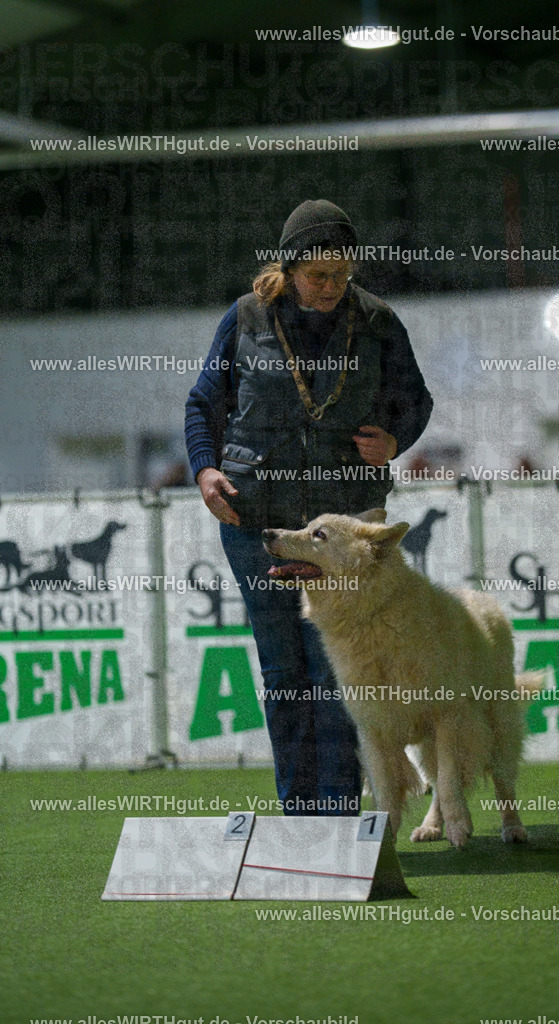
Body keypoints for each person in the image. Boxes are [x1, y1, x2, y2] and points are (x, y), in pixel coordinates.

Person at [185, 199, 433, 817]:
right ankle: (298, 813)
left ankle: (339, 812)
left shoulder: (377, 322)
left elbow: (416, 399)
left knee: (336, 671)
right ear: (290, 267)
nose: (331, 287)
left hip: (341, 529)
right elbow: (203, 404)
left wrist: (396, 439)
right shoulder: (245, 318)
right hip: (255, 520)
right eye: (318, 275)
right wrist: (206, 468)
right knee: (281, 669)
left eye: (341, 274)